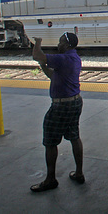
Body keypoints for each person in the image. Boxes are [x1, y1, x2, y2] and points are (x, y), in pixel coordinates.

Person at [30, 32, 84, 192]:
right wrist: (43, 66)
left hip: (61, 106)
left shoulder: (63, 58)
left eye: (60, 42)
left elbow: (36, 55)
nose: (58, 45)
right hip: (75, 101)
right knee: (74, 136)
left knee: (50, 141)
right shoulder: (74, 58)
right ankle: (79, 173)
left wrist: (38, 42)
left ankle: (50, 179)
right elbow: (53, 75)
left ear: (67, 44)